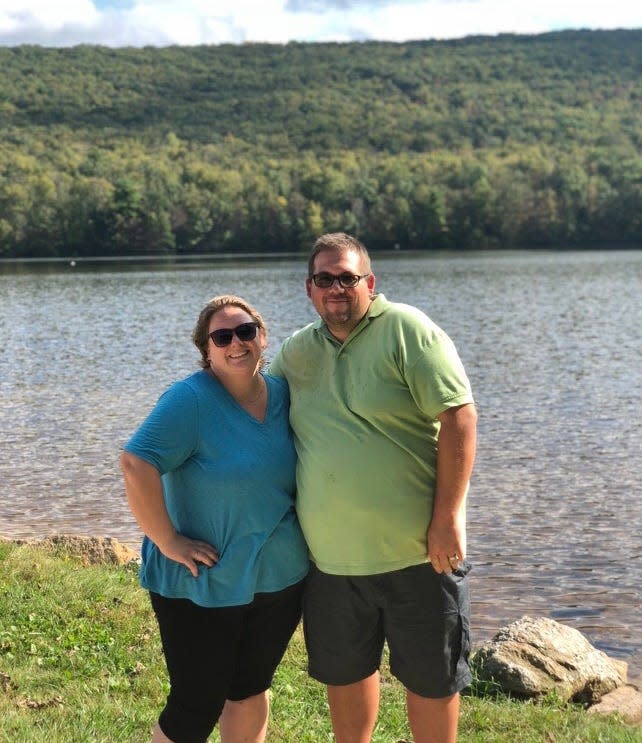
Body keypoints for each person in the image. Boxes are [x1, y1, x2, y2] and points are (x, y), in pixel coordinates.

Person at [269, 233, 477, 743]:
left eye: (347, 277)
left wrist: (447, 518)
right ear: (309, 289)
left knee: (432, 680)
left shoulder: (407, 330)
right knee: (346, 675)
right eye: (325, 279)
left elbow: (459, 417)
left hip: (420, 556)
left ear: (370, 282)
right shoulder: (297, 353)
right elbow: (254, 409)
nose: (336, 287)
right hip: (332, 563)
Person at [120, 295, 309, 743]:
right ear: (206, 350)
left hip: (278, 579)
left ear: (263, 337)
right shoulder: (190, 401)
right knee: (196, 703)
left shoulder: (284, 394)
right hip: (202, 581)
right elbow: (136, 463)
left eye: (245, 331)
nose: (235, 343)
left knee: (250, 689)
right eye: (221, 337)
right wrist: (168, 541)